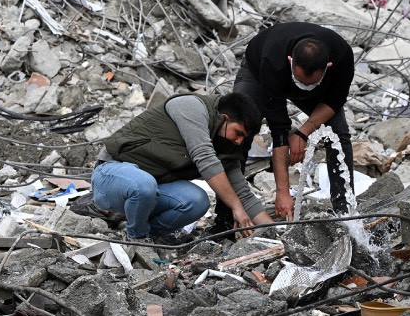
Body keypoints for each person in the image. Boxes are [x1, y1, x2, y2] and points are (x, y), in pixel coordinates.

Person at [74, 92, 274, 243]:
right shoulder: (191, 107)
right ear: (224, 119)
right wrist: (236, 208)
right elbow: (204, 157)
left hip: (151, 187)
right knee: (143, 185)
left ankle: (150, 236)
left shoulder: (225, 144)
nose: (239, 142)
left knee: (198, 200)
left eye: (244, 138)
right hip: (110, 173)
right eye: (238, 133)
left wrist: (274, 235)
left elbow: (243, 193)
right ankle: (136, 239)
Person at [215, 22, 355, 233]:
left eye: (310, 83)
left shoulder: (343, 56)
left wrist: (302, 132)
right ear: (290, 61)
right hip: (258, 73)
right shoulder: (273, 59)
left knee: (339, 133)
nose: (304, 87)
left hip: (317, 91)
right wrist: (282, 192)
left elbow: (334, 102)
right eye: (300, 81)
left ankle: (346, 214)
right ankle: (224, 220)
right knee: (239, 131)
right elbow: (278, 129)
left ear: (328, 67)